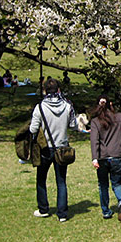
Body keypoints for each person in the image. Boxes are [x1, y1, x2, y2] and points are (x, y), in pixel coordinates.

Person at [29, 78, 76, 222]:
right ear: (59, 90)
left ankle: (43, 208)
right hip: (62, 148)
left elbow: (33, 129)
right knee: (61, 181)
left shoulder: (40, 107)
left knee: (41, 179)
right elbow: (73, 125)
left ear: (45, 90)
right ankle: (62, 214)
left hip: (45, 148)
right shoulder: (68, 106)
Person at [89, 96, 121, 221]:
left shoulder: (95, 121)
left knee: (103, 184)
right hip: (117, 155)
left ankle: (106, 211)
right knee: (117, 183)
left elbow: (94, 141)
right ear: (111, 103)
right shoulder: (120, 117)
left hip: (102, 157)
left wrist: (94, 158)